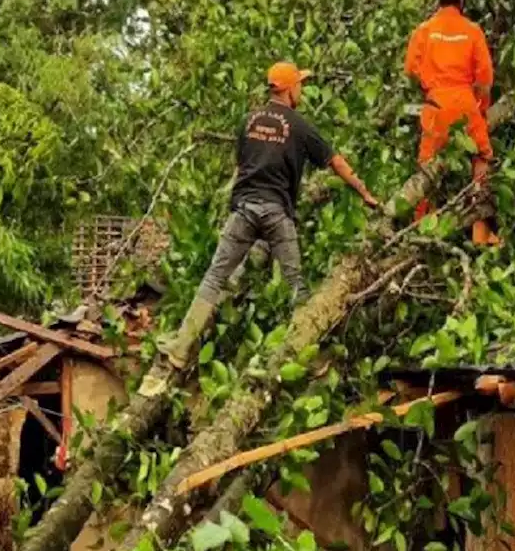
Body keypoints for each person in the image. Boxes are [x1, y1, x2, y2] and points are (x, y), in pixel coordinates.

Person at [157, 61, 380, 370]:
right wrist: (364, 192)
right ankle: (309, 359)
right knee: (295, 285)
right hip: (277, 214)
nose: (302, 89)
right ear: (289, 89)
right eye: (300, 84)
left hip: (244, 210)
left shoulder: (248, 121)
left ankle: (181, 349)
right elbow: (336, 162)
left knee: (214, 277)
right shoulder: (300, 126)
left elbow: (242, 166)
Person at [403, 0, 499, 246]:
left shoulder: (423, 31)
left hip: (435, 103)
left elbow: (410, 71)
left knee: (427, 169)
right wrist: (481, 110)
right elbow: (484, 80)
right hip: (464, 101)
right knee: (481, 157)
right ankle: (480, 234)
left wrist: (429, 86)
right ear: (463, 0)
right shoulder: (472, 31)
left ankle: (421, 230)